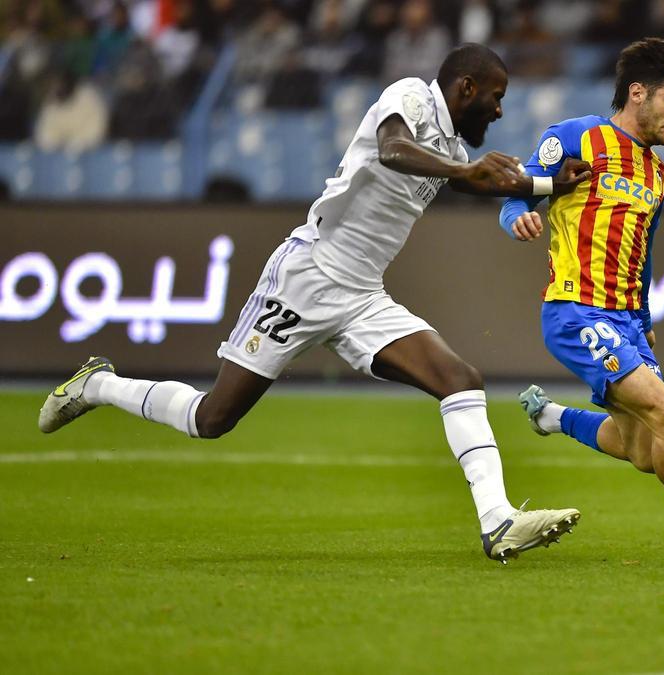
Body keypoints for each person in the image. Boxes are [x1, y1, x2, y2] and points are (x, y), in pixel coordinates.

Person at [38, 44, 592, 564]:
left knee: (461, 379)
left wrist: (548, 188)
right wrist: (461, 170)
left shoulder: (450, 147)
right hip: (305, 277)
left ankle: (497, 521)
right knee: (213, 418)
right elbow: (393, 150)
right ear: (466, 87)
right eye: (495, 97)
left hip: (362, 296)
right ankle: (97, 385)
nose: (498, 111)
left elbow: (468, 183)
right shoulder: (410, 98)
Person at [497, 38, 664, 564]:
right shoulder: (576, 137)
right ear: (638, 93)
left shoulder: (658, 175)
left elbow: (644, 253)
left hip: (626, 320)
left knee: (642, 449)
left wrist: (643, 317)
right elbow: (518, 192)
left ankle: (552, 417)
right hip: (575, 309)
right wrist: (516, 217)